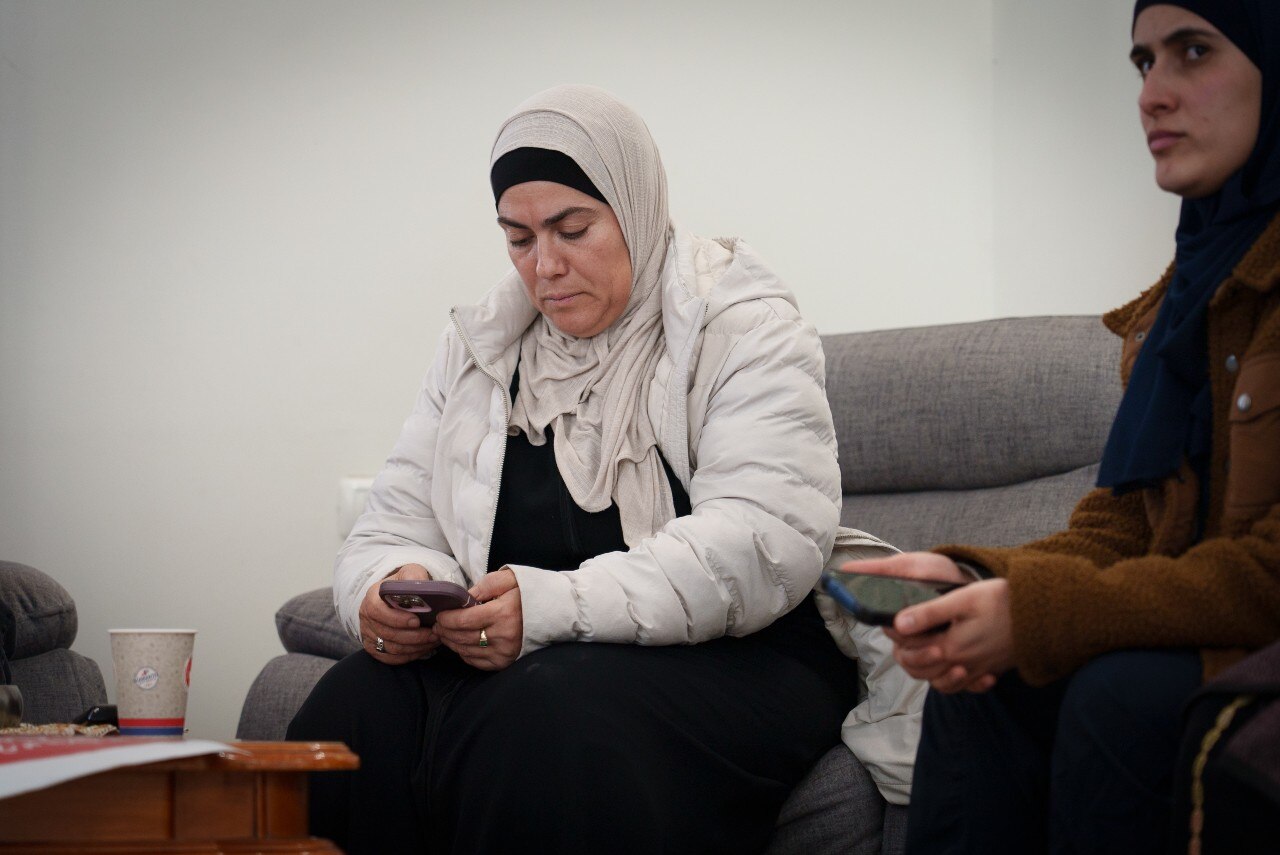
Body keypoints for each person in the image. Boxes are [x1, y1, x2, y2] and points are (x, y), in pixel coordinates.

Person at [287, 84, 868, 855]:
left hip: (741, 652)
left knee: (548, 712)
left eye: (572, 228)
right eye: (519, 238)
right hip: (537, 654)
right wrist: (390, 589)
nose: (547, 265)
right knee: (351, 706)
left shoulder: (743, 325)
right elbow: (397, 518)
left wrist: (549, 606)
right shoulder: (481, 346)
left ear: (633, 205)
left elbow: (760, 542)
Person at [840, 2, 1280, 853]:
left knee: (1115, 696)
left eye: (1193, 52)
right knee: (982, 684)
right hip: (1210, 636)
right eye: (1143, 62)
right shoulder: (1185, 295)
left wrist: (1036, 610)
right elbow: (1121, 524)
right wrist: (971, 575)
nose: (1154, 92)